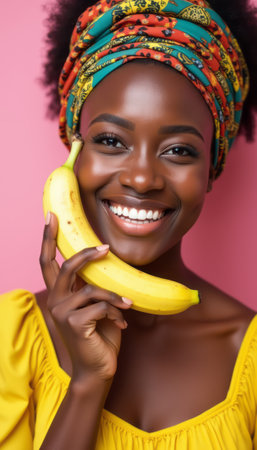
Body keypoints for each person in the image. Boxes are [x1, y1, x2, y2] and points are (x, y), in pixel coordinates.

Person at [1, 0, 257, 448]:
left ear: (211, 170)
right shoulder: (12, 337)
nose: (141, 178)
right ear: (74, 154)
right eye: (110, 141)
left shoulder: (249, 353)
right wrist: (86, 384)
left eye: (179, 150)